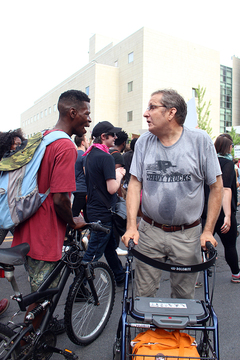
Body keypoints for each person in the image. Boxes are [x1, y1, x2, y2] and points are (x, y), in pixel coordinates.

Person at [122, 89, 223, 299]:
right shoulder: (143, 142)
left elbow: (216, 187)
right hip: (149, 231)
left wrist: (208, 231)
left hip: (188, 234)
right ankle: (145, 333)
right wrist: (131, 226)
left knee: (184, 298)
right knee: (143, 296)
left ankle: (178, 334)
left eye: (152, 107)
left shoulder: (200, 140)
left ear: (171, 113)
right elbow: (134, 184)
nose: (145, 113)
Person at [11, 89, 91, 332]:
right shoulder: (66, 147)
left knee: (38, 289)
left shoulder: (44, 137)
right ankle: (31, 342)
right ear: (72, 112)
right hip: (45, 234)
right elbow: (60, 200)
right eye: (86, 113)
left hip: (25, 227)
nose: (89, 119)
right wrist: (74, 221)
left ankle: (40, 328)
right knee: (41, 296)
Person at [83, 121, 126, 285]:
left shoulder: (88, 155)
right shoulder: (106, 157)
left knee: (109, 246)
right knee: (94, 252)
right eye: (112, 134)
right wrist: (119, 174)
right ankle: (80, 287)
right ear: (103, 136)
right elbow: (111, 188)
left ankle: (119, 275)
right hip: (103, 210)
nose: (115, 137)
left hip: (94, 208)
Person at [202, 134, 240, 282]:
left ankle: (200, 276)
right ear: (228, 148)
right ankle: (236, 274)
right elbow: (226, 190)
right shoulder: (228, 164)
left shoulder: (206, 162)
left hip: (205, 210)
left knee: (202, 244)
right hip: (222, 210)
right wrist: (228, 215)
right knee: (230, 245)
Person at [72, 134, 90, 220]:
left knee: (77, 213)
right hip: (83, 189)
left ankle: (75, 232)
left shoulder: (73, 154)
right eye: (86, 140)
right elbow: (86, 173)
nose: (88, 142)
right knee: (77, 214)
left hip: (75, 188)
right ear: (82, 143)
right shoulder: (84, 155)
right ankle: (68, 232)